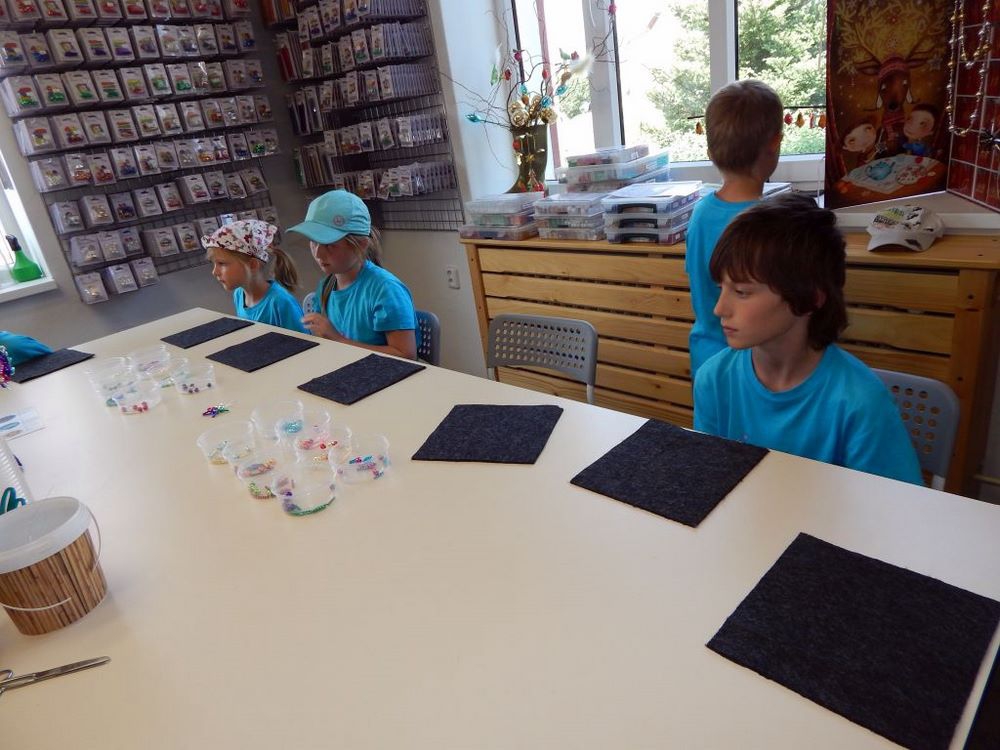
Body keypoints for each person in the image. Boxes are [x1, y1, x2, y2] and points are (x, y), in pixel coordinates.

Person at [693, 193, 923, 485]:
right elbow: (710, 483)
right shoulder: (714, 380)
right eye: (720, 288)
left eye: (742, 292)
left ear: (811, 297)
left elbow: (894, 503)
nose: (719, 308)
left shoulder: (860, 403)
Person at [686, 80, 784, 377]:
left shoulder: (700, 213)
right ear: (775, 143)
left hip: (706, 358)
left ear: (710, 150)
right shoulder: (770, 223)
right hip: (751, 368)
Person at [288, 190, 418, 360]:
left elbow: (406, 355)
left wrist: (338, 340)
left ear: (361, 244)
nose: (318, 254)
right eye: (314, 242)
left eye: (329, 245)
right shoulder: (326, 286)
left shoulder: (386, 290)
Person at [204, 219, 308, 334]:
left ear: (252, 265)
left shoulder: (281, 303)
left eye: (222, 263)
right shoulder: (239, 295)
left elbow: (306, 343)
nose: (214, 272)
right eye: (214, 264)